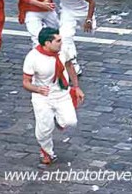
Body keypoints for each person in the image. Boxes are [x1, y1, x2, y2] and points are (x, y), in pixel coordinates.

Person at [22, 27, 84, 165]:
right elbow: (25, 82)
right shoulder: (33, 57)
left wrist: (76, 87)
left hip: (62, 92)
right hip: (43, 97)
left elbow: (69, 66)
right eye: (58, 41)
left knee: (70, 121)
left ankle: (58, 120)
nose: (61, 43)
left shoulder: (63, 51)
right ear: (47, 43)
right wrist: (37, 89)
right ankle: (46, 151)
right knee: (44, 129)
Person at [38, 0, 96, 76]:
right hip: (67, 11)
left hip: (83, 11)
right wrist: (43, 0)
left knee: (91, 30)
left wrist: (89, 19)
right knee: (65, 36)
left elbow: (92, 2)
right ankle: (73, 63)